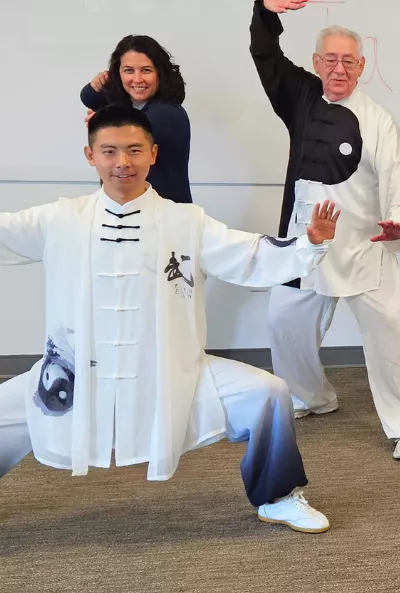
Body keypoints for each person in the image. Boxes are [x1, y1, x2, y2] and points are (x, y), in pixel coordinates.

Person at [0, 106, 340, 533]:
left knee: (269, 393)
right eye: (109, 151)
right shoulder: (59, 219)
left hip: (170, 373)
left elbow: (248, 254)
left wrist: (308, 245)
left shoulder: (186, 221)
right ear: (90, 156)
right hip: (75, 373)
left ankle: (278, 496)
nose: (122, 162)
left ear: (153, 154)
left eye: (133, 150)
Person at [250, 0, 400, 460]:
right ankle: (309, 396)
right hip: (304, 241)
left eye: (348, 61)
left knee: (391, 326)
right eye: (330, 60)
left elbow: (396, 177)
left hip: (363, 243)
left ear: (361, 66)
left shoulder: (379, 120)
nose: (338, 69)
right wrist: (264, 9)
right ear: (316, 62)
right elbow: (266, 55)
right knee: (284, 319)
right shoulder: (300, 97)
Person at [81, 35, 193, 203]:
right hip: (126, 208)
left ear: (159, 73)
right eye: (128, 70)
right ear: (117, 74)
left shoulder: (167, 113)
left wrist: (103, 122)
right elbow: (88, 97)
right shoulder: (128, 106)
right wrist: (100, 82)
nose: (137, 79)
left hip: (164, 211)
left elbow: (128, 134)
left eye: (146, 70)